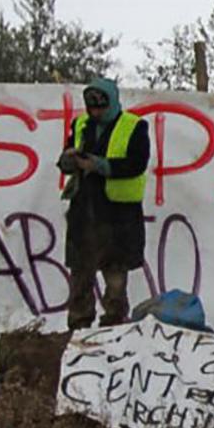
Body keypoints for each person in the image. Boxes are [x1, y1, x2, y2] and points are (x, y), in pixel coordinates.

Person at [58, 77, 150, 329]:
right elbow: (67, 155)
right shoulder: (80, 125)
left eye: (101, 106)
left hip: (118, 213)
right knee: (80, 273)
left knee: (115, 274)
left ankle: (114, 323)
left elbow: (137, 163)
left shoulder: (134, 126)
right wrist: (69, 161)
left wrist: (100, 165)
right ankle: (79, 324)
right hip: (84, 209)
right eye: (92, 107)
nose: (96, 112)